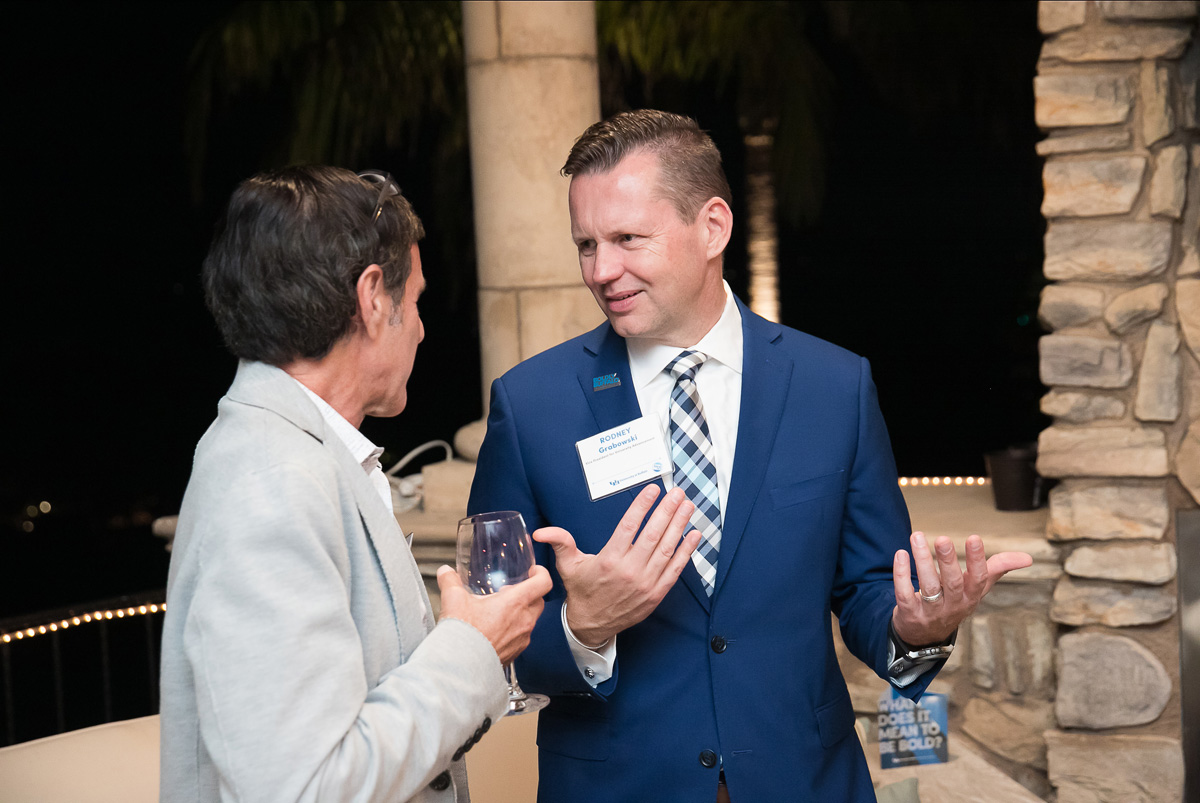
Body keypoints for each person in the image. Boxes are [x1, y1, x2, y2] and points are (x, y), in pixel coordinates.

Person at [467, 110, 1033, 802]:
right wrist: (582, 627)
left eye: (627, 239)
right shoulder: (532, 405)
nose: (601, 270)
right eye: (586, 244)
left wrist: (917, 632)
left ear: (713, 227)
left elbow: (868, 591)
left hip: (805, 782)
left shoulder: (834, 387)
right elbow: (488, 644)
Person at [159, 165, 555, 803]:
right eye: (415, 300)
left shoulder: (302, 456)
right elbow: (304, 788)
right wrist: (474, 647)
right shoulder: (271, 482)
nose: (421, 327)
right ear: (373, 298)